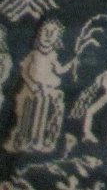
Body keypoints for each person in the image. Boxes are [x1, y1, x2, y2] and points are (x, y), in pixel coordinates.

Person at [6, 21, 81, 153]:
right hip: (31, 88)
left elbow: (59, 70)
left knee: (44, 108)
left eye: (53, 32)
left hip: (46, 88)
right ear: (39, 33)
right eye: (46, 30)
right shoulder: (33, 54)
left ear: (57, 38)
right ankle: (24, 139)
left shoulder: (53, 55)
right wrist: (31, 84)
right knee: (28, 111)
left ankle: (38, 140)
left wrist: (71, 63)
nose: (49, 35)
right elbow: (24, 71)